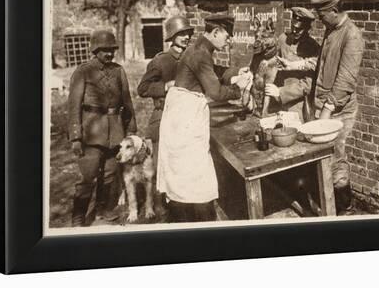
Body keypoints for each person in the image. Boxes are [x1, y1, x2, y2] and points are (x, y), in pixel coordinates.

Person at [157, 13, 250, 223]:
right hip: (184, 119)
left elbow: (213, 70)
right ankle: (199, 223)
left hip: (182, 114)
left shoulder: (199, 49)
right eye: (227, 36)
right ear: (215, 32)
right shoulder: (200, 53)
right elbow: (215, 92)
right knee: (195, 172)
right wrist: (239, 88)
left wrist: (234, 72)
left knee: (184, 173)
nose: (229, 40)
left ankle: (188, 217)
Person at [67, 29, 137, 227]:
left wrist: (130, 128)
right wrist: (75, 136)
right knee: (88, 175)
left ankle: (103, 209)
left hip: (115, 131)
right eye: (105, 50)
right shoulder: (83, 71)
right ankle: (79, 215)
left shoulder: (119, 70)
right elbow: (73, 105)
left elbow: (127, 101)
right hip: (91, 130)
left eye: (112, 49)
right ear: (95, 50)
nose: (109, 53)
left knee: (109, 174)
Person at [309, 0, 364, 215]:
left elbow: (345, 81)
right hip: (324, 105)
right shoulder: (331, 30)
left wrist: (325, 112)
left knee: (336, 158)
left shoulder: (352, 36)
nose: (319, 21)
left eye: (321, 15)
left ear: (333, 10)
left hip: (337, 110)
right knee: (324, 158)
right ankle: (326, 202)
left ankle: (345, 208)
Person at [137, 16, 194, 212]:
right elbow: (142, 89)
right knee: (162, 164)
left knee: (184, 163)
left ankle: (183, 202)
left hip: (186, 119)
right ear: (172, 36)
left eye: (187, 33)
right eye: (181, 34)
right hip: (163, 116)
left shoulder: (193, 57)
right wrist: (164, 86)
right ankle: (161, 208)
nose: (185, 37)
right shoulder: (160, 61)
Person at [263, 7, 320, 118]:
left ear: (308, 28)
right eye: (293, 26)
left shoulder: (313, 47)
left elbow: (309, 84)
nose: (294, 31)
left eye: (299, 29)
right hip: (275, 100)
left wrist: (281, 92)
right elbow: (276, 61)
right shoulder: (283, 39)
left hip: (297, 104)